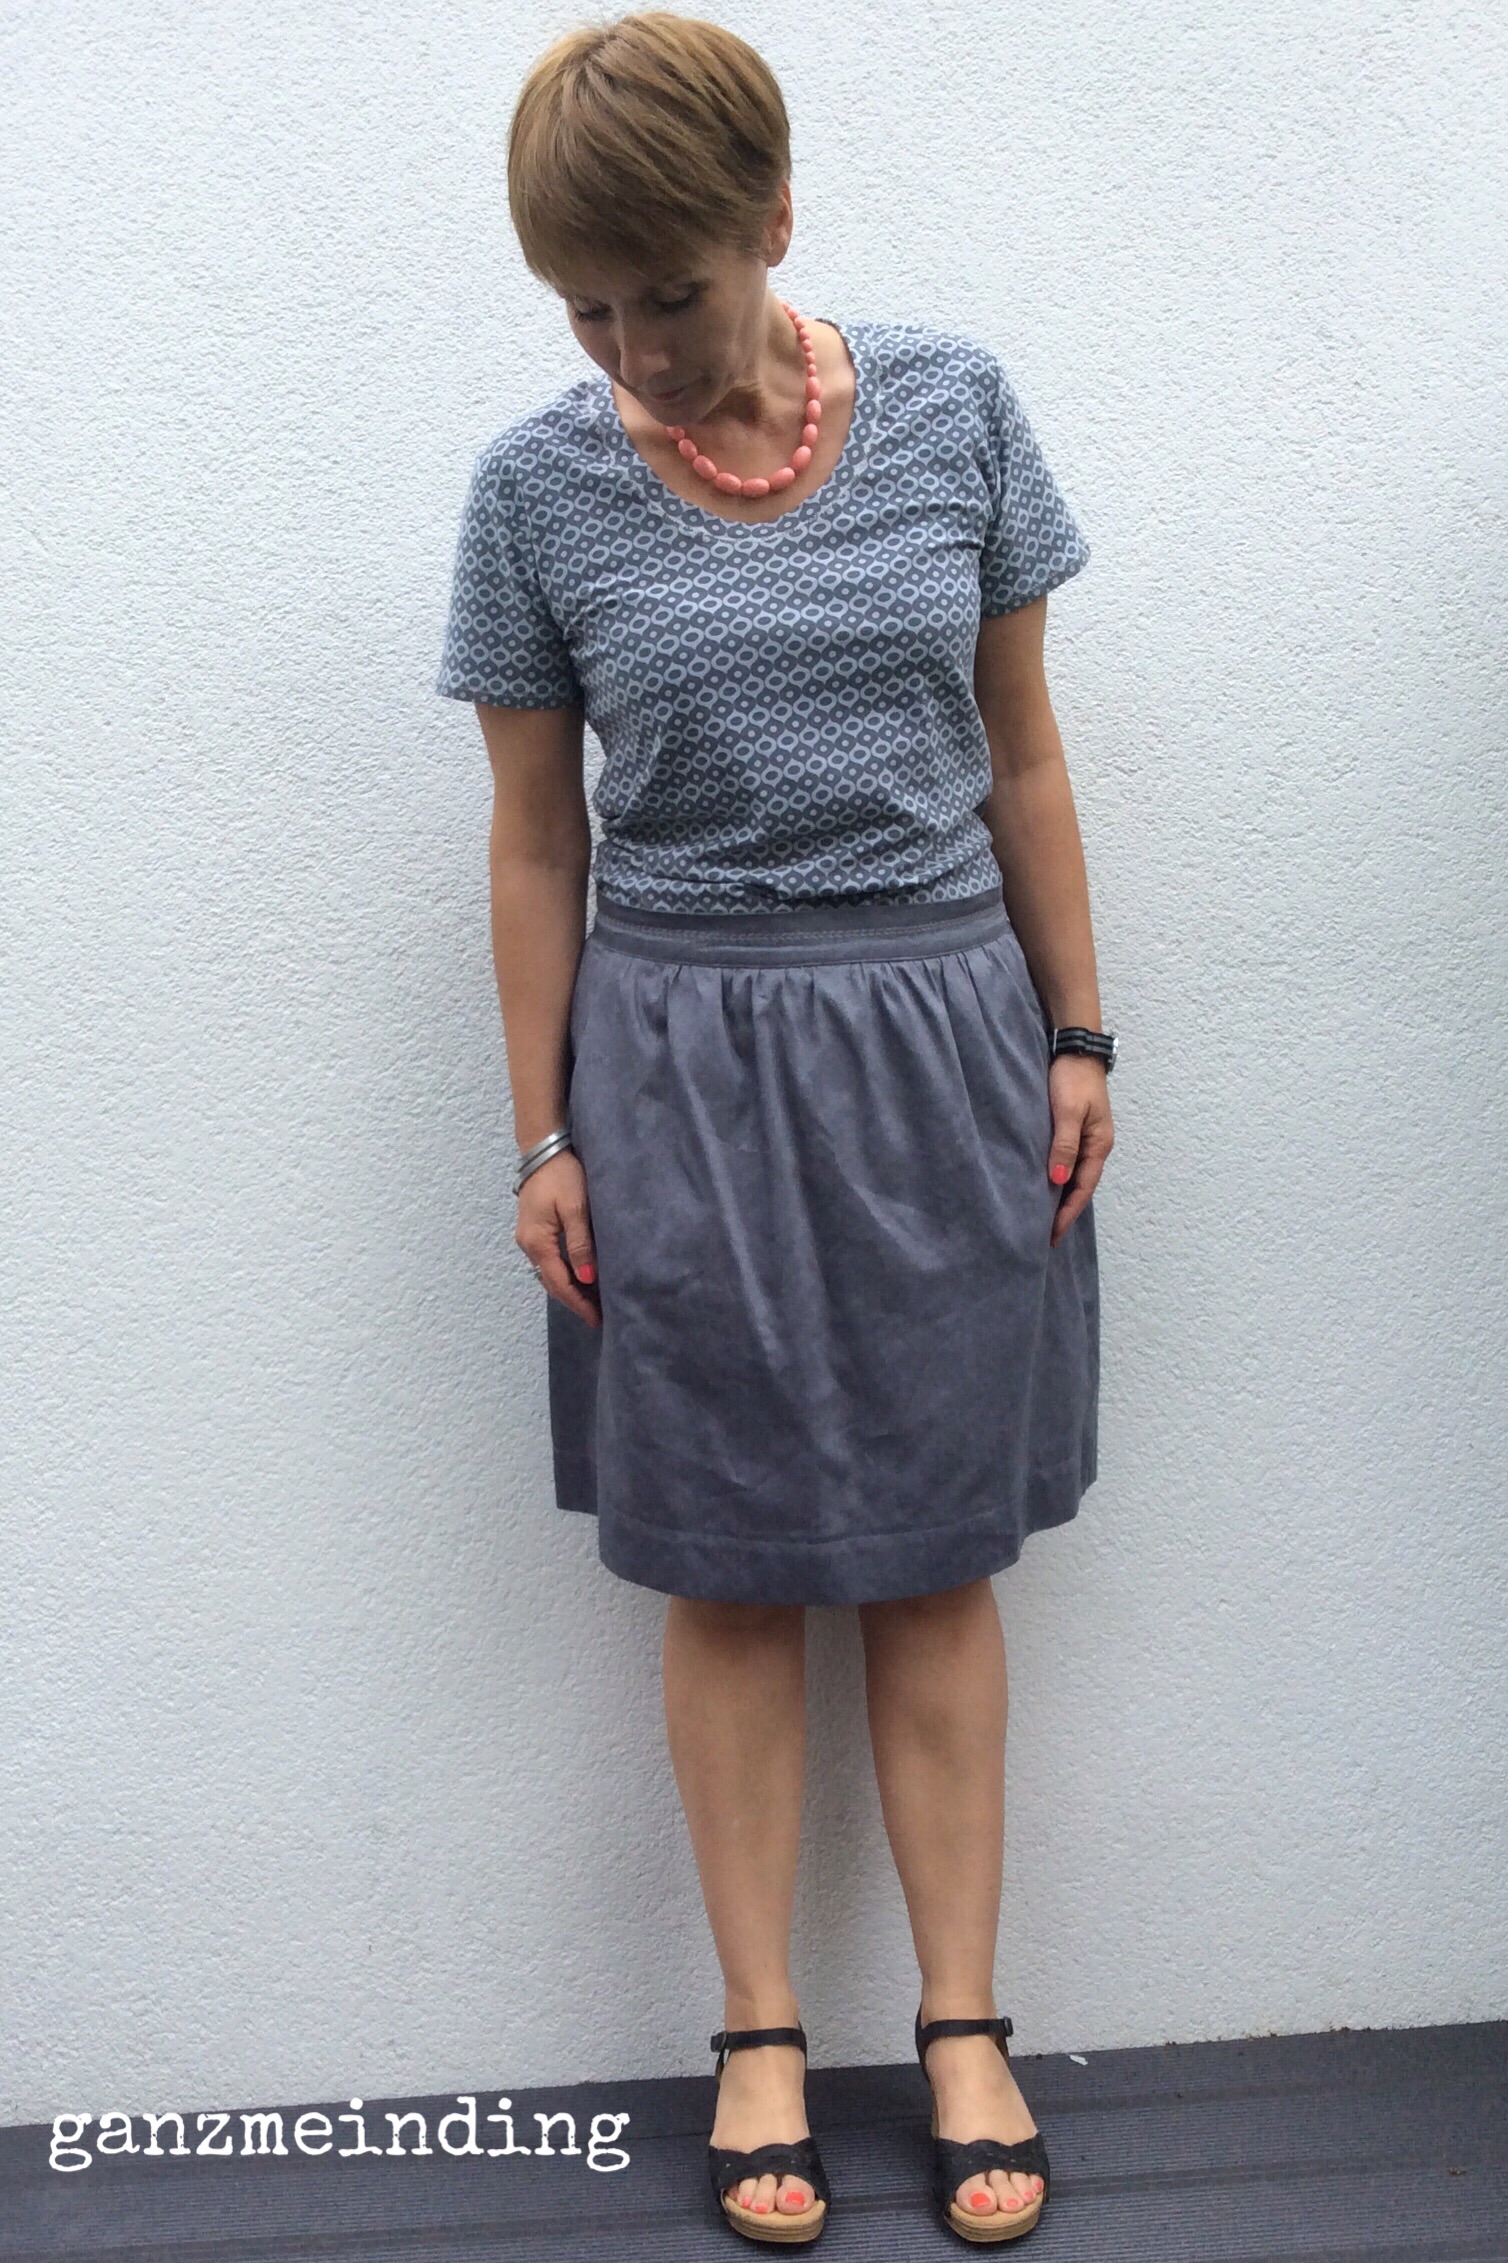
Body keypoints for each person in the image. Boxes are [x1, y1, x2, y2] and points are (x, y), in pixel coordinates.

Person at [436, 11, 1114, 2246]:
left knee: (934, 1547)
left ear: (777, 224)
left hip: (942, 1041)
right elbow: (536, 842)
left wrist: (1081, 1031)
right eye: (586, 311)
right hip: (678, 1063)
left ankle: (961, 2020)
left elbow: (1023, 751)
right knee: (723, 1558)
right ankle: (754, 2031)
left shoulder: (956, 409)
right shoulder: (535, 490)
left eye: (670, 294)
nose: (634, 351)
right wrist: (540, 1136)